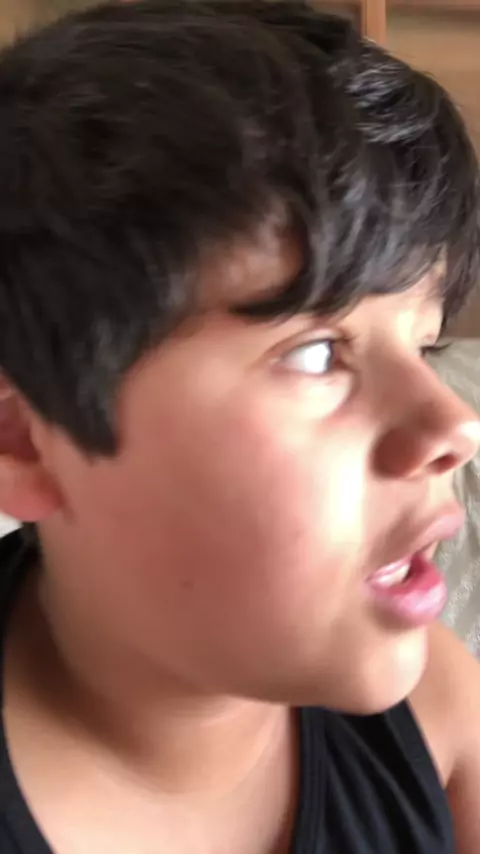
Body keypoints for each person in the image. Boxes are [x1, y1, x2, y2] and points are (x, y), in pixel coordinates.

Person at [0, 1, 480, 851]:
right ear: (26, 440)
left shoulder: (441, 710)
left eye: (424, 344)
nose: (455, 424)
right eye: (316, 354)